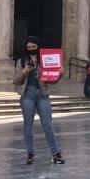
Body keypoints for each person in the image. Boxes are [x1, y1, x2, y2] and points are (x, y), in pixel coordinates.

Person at [13, 36, 64, 166]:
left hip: (42, 94)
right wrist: (25, 71)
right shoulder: (22, 61)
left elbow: (53, 80)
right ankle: (30, 153)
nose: (31, 49)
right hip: (27, 94)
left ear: (38, 47)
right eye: (28, 47)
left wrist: (59, 74)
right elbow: (16, 81)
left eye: (33, 47)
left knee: (48, 123)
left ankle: (55, 153)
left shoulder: (45, 60)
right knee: (28, 125)